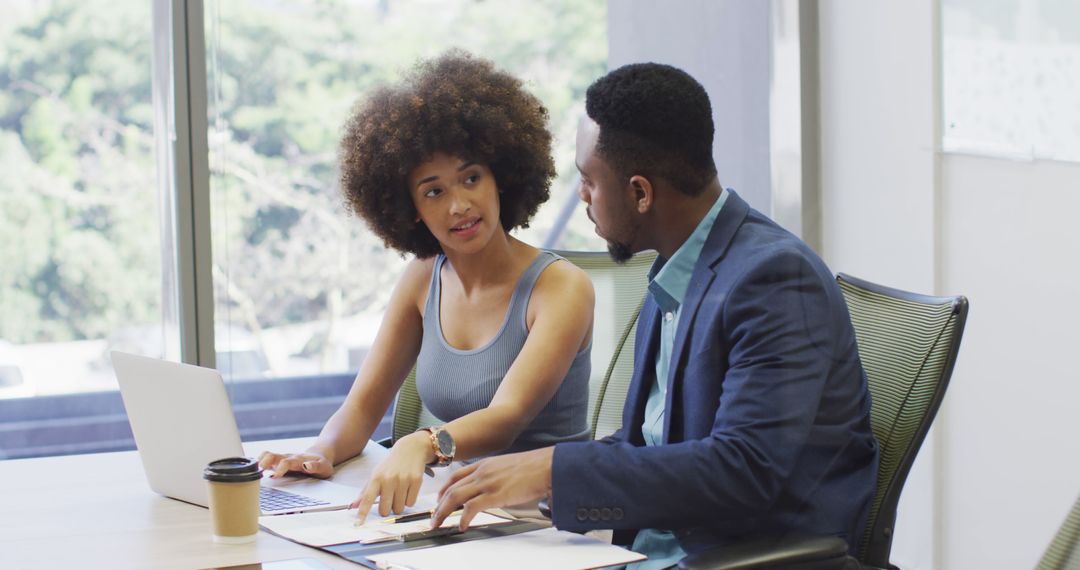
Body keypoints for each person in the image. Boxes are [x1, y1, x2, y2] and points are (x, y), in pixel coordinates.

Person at [432, 62, 879, 567]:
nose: (582, 197)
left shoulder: (773, 279)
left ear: (640, 193)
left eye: (588, 181)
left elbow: (743, 470)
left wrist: (554, 470)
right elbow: (650, 442)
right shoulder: (677, 268)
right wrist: (540, 486)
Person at [258, 51, 595, 522]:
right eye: (434, 191)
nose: (459, 205)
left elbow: (507, 418)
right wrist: (321, 452)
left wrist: (425, 442)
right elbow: (360, 410)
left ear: (501, 177)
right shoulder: (422, 279)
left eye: (471, 178)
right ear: (411, 208)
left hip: (545, 519)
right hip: (452, 508)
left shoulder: (561, 288)